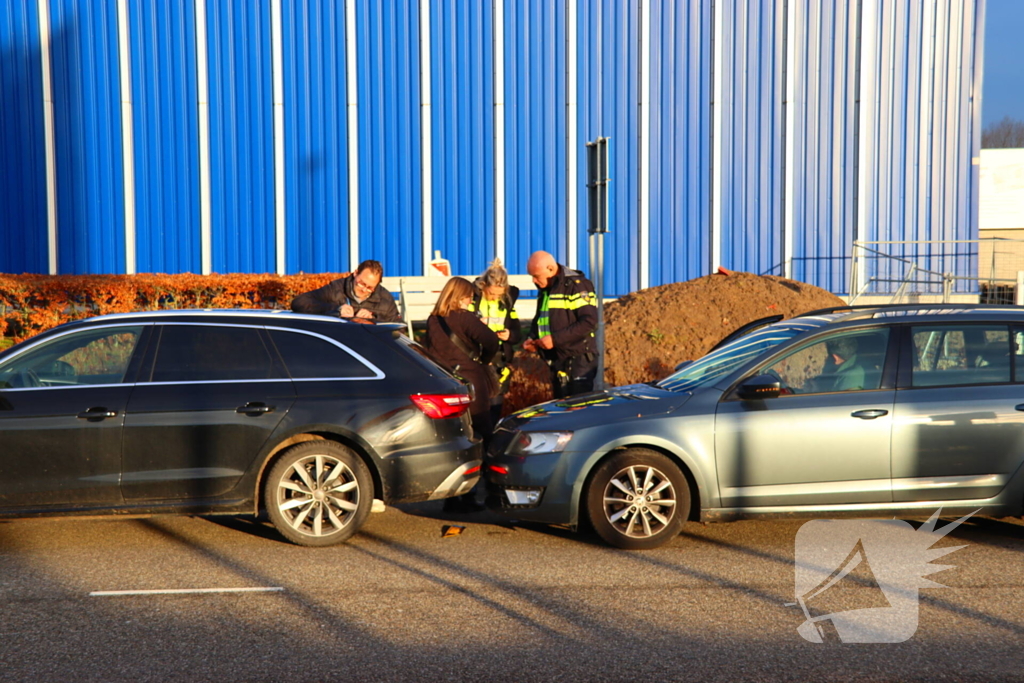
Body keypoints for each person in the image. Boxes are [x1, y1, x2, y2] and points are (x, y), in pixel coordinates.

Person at [424, 277, 500, 512]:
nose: (471, 300)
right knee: (482, 436)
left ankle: (452, 497)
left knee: (454, 439)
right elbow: (491, 340)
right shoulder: (465, 317)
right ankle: (487, 492)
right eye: (469, 296)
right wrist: (484, 360)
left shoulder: (432, 320)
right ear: (458, 296)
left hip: (445, 384)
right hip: (472, 384)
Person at [522, 250, 599, 398]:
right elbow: (541, 317)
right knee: (561, 407)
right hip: (558, 358)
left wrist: (555, 339)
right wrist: (532, 338)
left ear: (550, 269)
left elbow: (589, 321)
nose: (533, 281)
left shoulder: (577, 286)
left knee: (577, 408)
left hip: (578, 359)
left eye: (536, 276)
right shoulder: (547, 289)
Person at [469, 259, 522, 424]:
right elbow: (461, 326)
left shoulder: (506, 301)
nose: (494, 298)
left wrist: (510, 335)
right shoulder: (472, 298)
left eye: (499, 295)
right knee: (478, 401)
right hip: (477, 356)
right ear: (482, 286)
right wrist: (477, 325)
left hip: (499, 358)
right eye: (491, 294)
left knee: (496, 402)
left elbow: (517, 331)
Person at [290, 260, 401, 323]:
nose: (364, 289)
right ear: (355, 273)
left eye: (370, 288)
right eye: (361, 283)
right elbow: (299, 303)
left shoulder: (385, 299)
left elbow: (399, 330)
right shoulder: (336, 289)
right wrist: (336, 310)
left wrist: (373, 322)